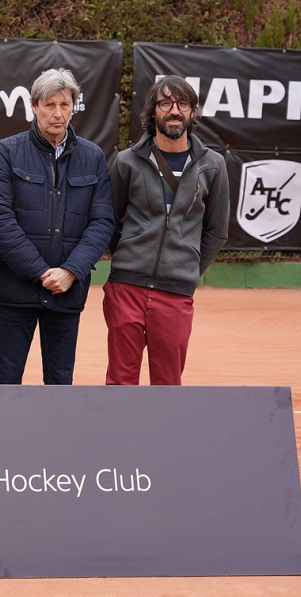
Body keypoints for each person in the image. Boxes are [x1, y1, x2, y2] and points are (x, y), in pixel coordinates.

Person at [0, 68, 114, 385]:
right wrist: (41, 272)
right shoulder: (6, 152)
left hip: (67, 291)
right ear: (34, 105)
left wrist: (71, 271)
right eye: (50, 105)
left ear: (73, 107)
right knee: (6, 379)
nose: (57, 113)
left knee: (60, 381)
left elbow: (102, 221)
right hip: (14, 291)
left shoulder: (93, 156)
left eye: (64, 105)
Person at [104, 75, 230, 385]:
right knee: (120, 381)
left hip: (176, 292)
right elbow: (107, 219)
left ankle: (163, 436)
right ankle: (119, 435)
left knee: (168, 385)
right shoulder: (126, 162)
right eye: (165, 103)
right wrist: (128, 253)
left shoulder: (212, 165)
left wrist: (186, 265)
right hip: (126, 288)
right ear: (151, 112)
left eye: (182, 103)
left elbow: (216, 231)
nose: (174, 110)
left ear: (191, 112)